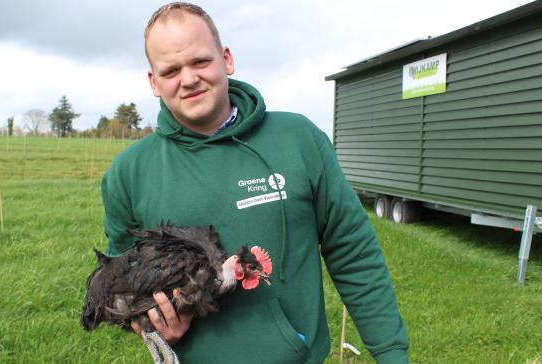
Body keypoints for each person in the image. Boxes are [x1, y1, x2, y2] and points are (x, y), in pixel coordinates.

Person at [101, 2, 409, 363]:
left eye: (200, 61)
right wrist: (149, 321)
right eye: (171, 70)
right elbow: (120, 280)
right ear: (154, 82)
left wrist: (391, 353)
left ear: (227, 59)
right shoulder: (129, 173)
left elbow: (353, 252)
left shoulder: (299, 140)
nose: (188, 79)